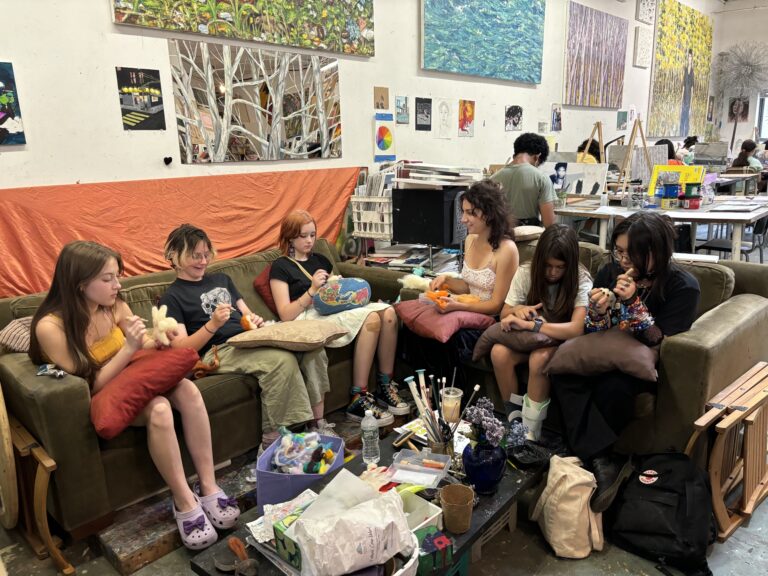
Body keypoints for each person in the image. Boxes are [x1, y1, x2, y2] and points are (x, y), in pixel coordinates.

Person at [29, 241, 236, 551]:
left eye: (117, 275)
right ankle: (183, 501)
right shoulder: (51, 327)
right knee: (161, 408)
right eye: (108, 278)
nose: (118, 285)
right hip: (101, 394)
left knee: (189, 389)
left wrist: (158, 339)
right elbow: (89, 385)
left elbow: (144, 345)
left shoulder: (114, 304)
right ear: (80, 283)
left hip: (132, 377)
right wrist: (129, 347)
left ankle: (207, 485)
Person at [549, 212, 700, 513]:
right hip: (605, 353)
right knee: (563, 373)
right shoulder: (609, 272)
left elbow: (658, 340)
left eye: (631, 253)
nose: (623, 260)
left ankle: (582, 455)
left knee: (613, 388)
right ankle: (604, 460)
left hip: (642, 367)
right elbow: (595, 334)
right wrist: (596, 310)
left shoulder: (683, 286)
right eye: (619, 251)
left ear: (655, 251)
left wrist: (632, 304)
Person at [159, 224, 335, 450]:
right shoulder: (172, 297)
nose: (203, 261)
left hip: (248, 338)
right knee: (281, 361)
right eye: (195, 256)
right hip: (218, 350)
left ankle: (317, 424)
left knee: (313, 349)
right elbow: (182, 349)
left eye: (206, 255)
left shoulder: (222, 279)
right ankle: (274, 442)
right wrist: (212, 324)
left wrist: (256, 321)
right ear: (175, 257)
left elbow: (247, 313)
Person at [270, 211, 400, 426]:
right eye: (303, 236)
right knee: (372, 319)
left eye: (313, 234)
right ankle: (359, 396)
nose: (310, 241)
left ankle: (386, 385)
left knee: (389, 313)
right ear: (290, 237)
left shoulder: (320, 259)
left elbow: (335, 294)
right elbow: (285, 314)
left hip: (334, 309)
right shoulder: (281, 267)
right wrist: (312, 290)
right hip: (307, 316)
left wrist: (336, 284)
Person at [402, 181, 518, 392]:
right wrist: (446, 281)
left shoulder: (506, 250)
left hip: (489, 321)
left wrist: (457, 306)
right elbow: (467, 286)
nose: (463, 219)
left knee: (447, 340)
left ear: (489, 213)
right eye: (463, 212)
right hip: (464, 310)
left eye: (470, 213)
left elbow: (496, 306)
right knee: (413, 328)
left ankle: (453, 401)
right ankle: (426, 394)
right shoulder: (470, 240)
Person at [490, 225, 591, 440]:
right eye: (548, 266)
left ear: (570, 265)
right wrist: (518, 310)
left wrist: (533, 326)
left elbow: (576, 329)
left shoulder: (581, 279)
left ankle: (530, 433)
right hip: (532, 340)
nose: (553, 273)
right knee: (499, 352)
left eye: (560, 267)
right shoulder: (526, 272)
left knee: (539, 359)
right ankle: (515, 424)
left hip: (561, 341)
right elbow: (504, 312)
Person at [491, 133, 556, 227]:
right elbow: (549, 224)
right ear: (537, 157)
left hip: (500, 237)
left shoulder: (492, 178)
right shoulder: (541, 178)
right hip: (528, 238)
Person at [680, 49, 695, 137]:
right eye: (688, 57)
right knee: (682, 118)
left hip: (689, 98)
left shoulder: (692, 71)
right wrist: (681, 100)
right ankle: (681, 134)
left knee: (687, 119)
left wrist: (691, 105)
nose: (689, 58)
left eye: (691, 57)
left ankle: (685, 135)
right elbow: (683, 86)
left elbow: (692, 89)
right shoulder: (685, 70)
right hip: (684, 98)